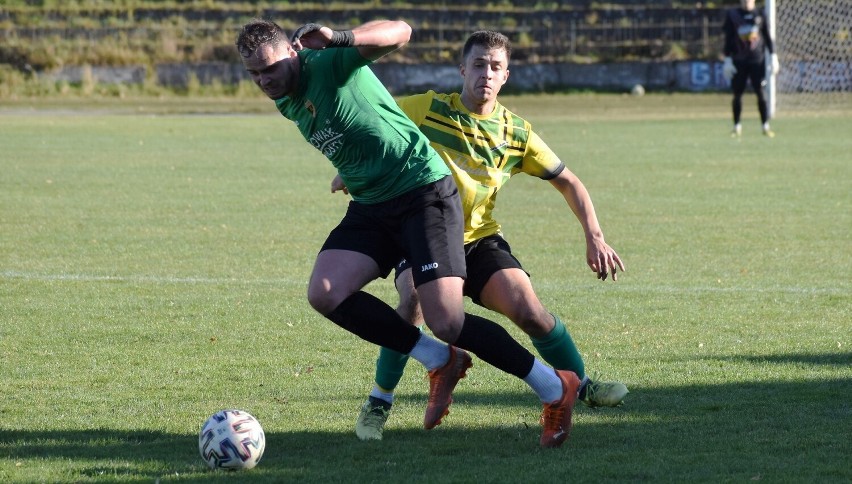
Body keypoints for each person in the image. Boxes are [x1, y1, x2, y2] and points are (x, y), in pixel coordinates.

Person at [235, 19, 585, 448]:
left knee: (447, 320)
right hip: (371, 204)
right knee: (325, 292)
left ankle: (555, 387)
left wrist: (338, 38)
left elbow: (402, 31)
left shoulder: (328, 64)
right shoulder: (284, 94)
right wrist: (349, 172)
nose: (264, 80)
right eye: (254, 74)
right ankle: (440, 361)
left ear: (292, 51)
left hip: (422, 192)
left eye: (270, 68)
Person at [330, 30, 628, 442]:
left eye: (495, 67)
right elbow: (375, 128)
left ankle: (580, 382)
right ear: (462, 70)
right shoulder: (429, 109)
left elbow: (569, 181)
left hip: (476, 240)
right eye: (478, 65)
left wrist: (595, 236)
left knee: (529, 310)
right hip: (419, 233)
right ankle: (380, 401)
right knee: (411, 300)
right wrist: (351, 169)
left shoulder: (516, 133)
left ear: (506, 76)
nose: (485, 74)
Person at [722, 0, 780, 138]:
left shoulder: (760, 14)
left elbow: (767, 36)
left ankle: (765, 125)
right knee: (737, 94)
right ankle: (737, 126)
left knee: (760, 92)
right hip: (738, 61)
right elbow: (728, 38)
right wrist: (727, 59)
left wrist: (773, 55)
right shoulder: (733, 15)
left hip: (757, 61)